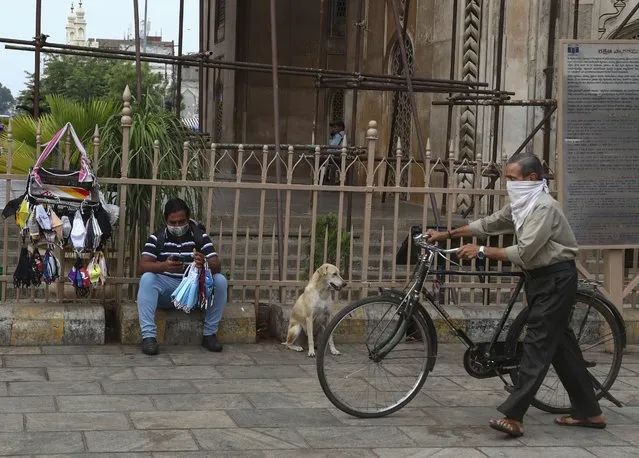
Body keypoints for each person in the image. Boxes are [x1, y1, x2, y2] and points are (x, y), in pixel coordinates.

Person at [426, 152, 605, 437]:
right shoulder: (523, 204)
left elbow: (524, 252)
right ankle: (590, 412)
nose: (508, 183)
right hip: (541, 281)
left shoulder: (544, 207)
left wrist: (481, 250)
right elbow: (489, 224)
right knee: (561, 348)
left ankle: (514, 415)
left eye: (511, 178)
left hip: (556, 280)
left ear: (531, 179)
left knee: (536, 345)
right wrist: (447, 234)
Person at [136, 198, 228, 355]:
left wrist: (204, 262)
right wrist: (163, 266)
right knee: (147, 279)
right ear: (166, 220)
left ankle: (209, 334)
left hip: (195, 291)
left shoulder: (200, 237)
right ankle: (149, 337)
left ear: (188, 218)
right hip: (168, 291)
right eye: (173, 222)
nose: (177, 226)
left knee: (220, 280)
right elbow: (142, 267)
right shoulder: (157, 238)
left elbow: (217, 265)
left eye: (181, 221)